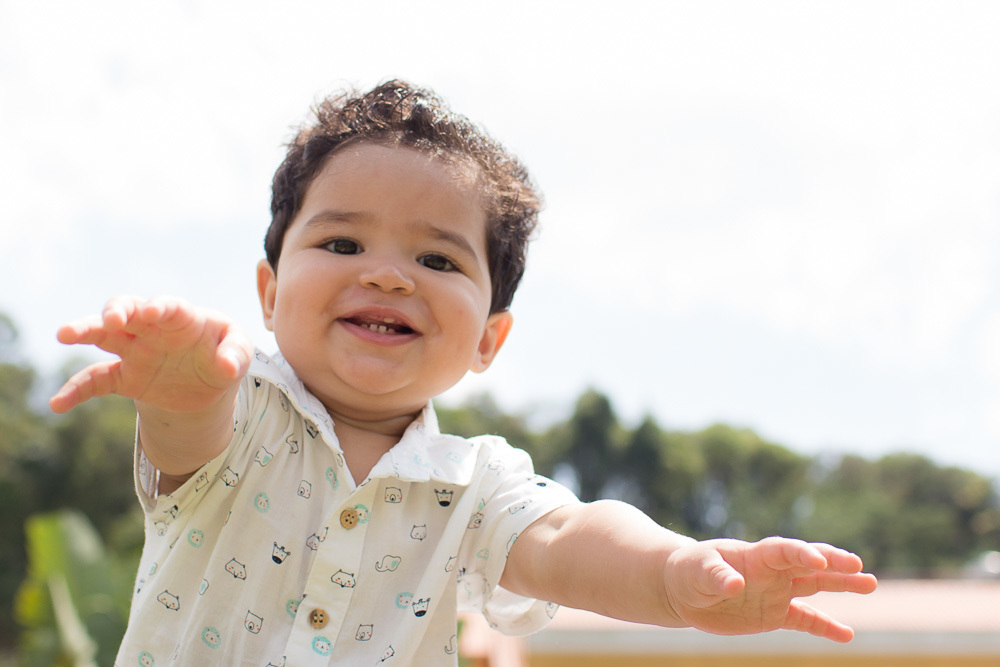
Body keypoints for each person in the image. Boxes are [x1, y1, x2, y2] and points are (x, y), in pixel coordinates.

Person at [50, 80, 877, 665]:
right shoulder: (240, 410)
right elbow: (188, 437)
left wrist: (671, 575)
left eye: (437, 256)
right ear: (268, 291)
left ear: (490, 337)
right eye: (342, 243)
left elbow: (565, 538)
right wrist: (184, 390)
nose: (387, 274)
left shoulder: (475, 486)